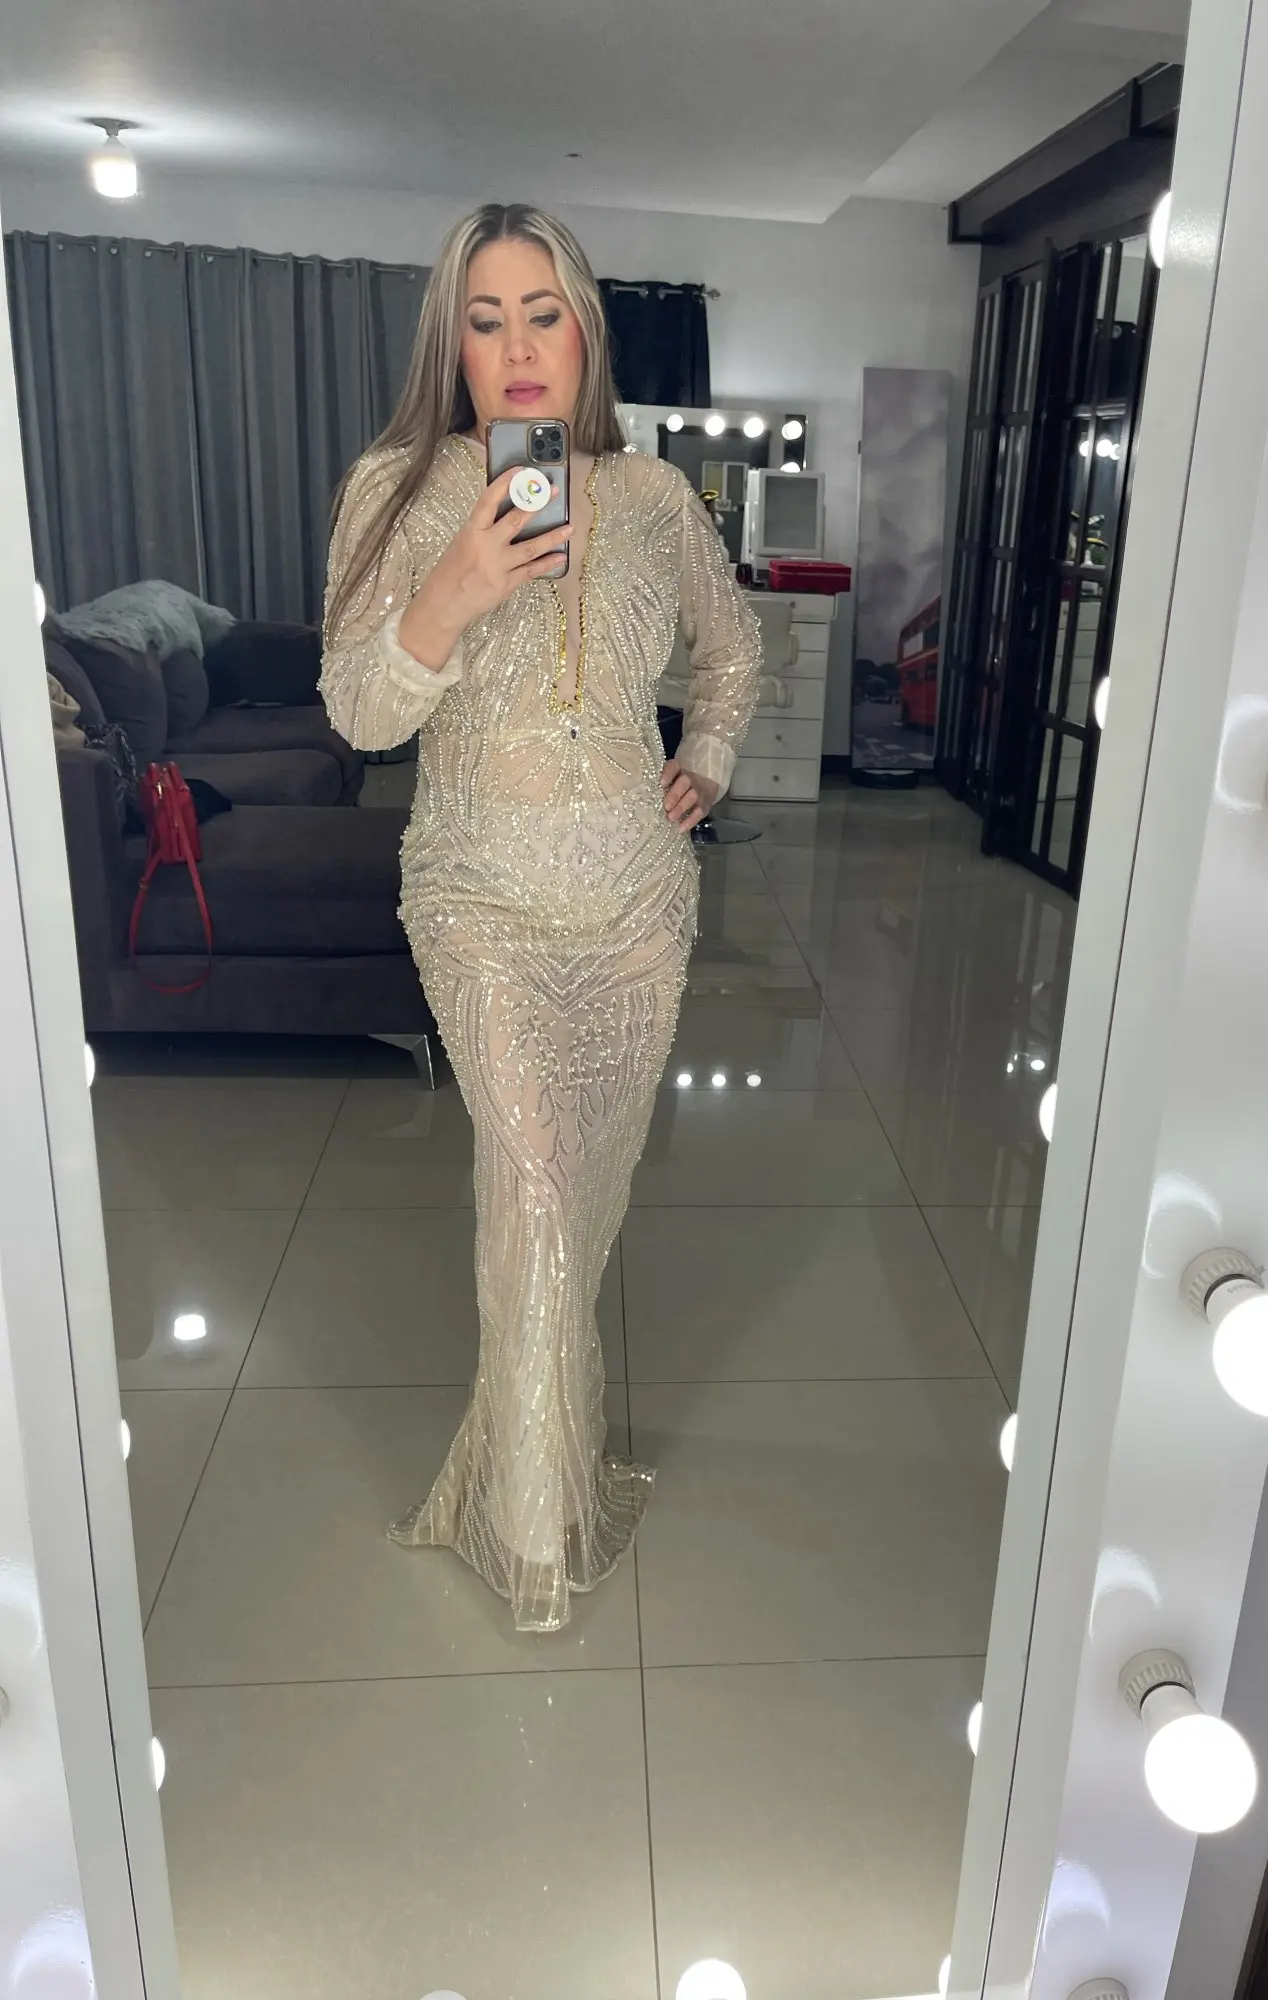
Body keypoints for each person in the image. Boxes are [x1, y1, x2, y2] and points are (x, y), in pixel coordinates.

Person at [319, 204, 762, 1632]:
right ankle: (527, 1530)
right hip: (478, 891)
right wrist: (451, 592)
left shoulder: (655, 498)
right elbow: (359, 713)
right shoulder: (399, 485)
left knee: (588, 1195)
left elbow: (734, 650)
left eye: (543, 313)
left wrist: (710, 757)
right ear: (452, 344)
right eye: (485, 319)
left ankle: (538, 1456)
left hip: (636, 901)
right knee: (535, 1189)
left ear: (586, 332)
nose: (516, 348)